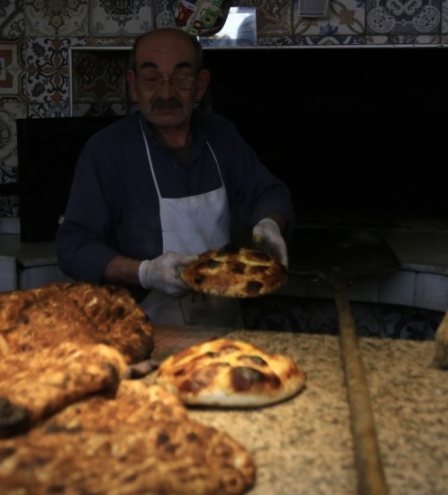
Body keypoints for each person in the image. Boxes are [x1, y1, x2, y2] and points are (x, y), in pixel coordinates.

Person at [55, 27, 295, 328]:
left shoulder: (222, 135)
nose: (166, 93)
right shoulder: (106, 151)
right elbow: (73, 247)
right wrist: (144, 272)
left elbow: (268, 192)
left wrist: (271, 223)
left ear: (200, 84)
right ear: (133, 85)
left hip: (223, 322)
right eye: (152, 79)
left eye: (181, 78)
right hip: (144, 328)